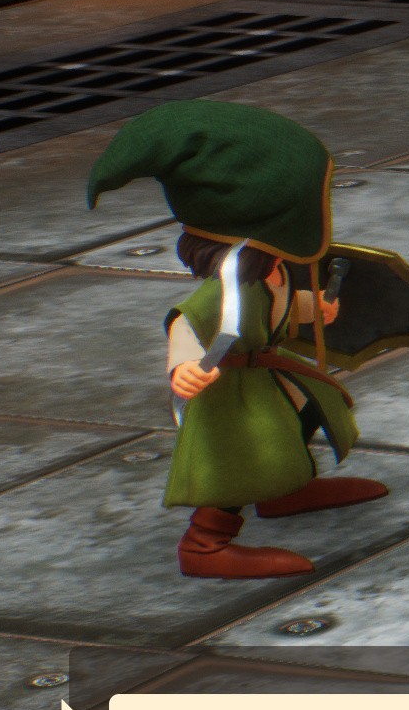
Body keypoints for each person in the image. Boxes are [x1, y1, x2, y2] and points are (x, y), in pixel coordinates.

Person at [86, 102, 390, 579]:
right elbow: (186, 325)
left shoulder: (271, 273)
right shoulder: (224, 290)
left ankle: (283, 489)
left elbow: (275, 309)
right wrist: (183, 367)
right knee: (233, 460)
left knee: (300, 416)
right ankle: (204, 544)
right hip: (229, 391)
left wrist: (313, 307)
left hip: (265, 378)